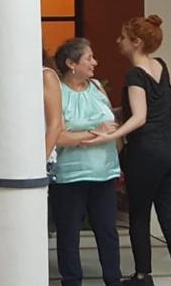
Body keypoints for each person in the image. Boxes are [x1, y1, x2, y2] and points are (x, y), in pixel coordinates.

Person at [83, 16, 171, 286]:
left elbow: (140, 117)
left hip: (147, 151)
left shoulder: (134, 74)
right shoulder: (160, 65)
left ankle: (141, 276)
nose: (118, 41)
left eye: (122, 38)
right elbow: (155, 107)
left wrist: (109, 135)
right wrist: (113, 115)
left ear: (136, 42)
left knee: (139, 214)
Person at [51, 38, 122, 286]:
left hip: (104, 172)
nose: (95, 62)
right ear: (71, 63)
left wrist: (110, 134)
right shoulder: (57, 92)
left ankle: (114, 280)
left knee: (108, 232)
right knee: (69, 234)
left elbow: (111, 123)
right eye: (88, 58)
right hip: (70, 175)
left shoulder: (96, 87)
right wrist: (95, 133)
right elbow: (56, 136)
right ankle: (71, 281)